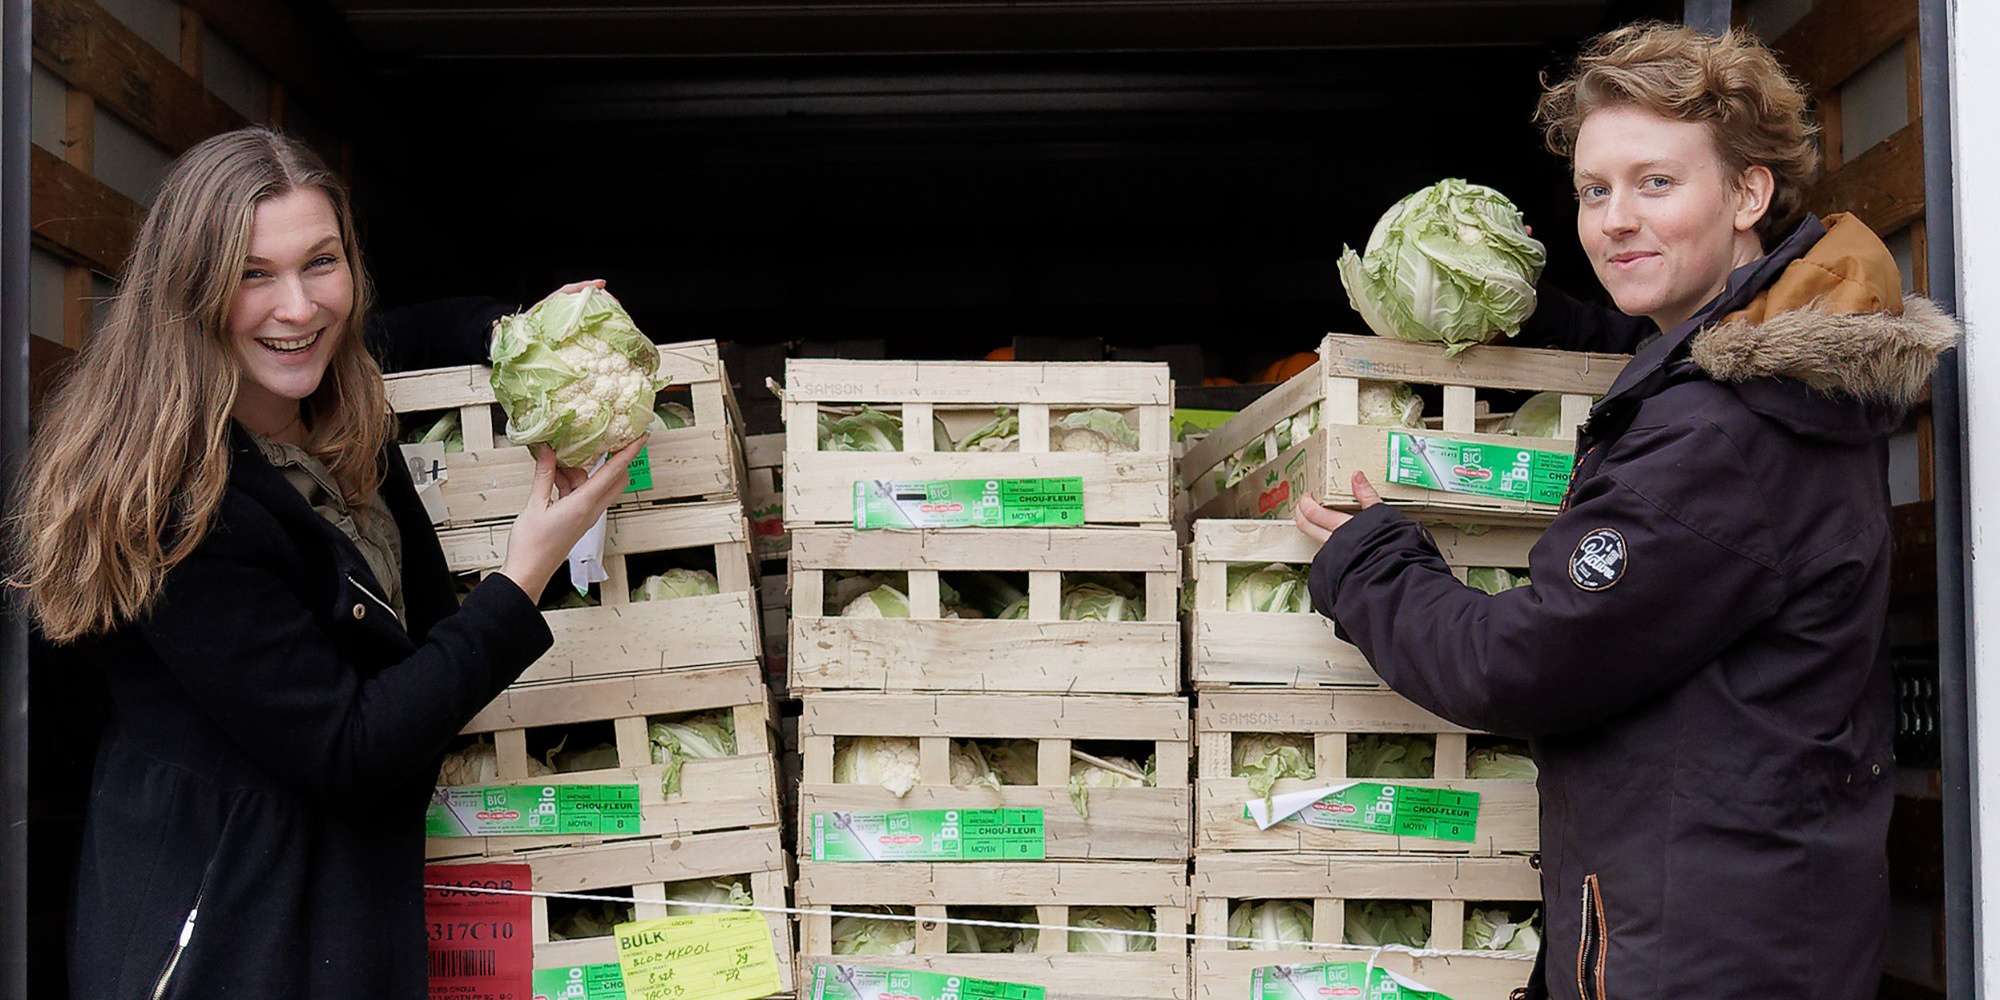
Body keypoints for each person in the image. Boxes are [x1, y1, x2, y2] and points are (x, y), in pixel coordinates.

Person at [1293, 24, 1957, 1000]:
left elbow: (1520, 662)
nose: (1612, 220)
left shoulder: (1722, 442)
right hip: (1742, 929)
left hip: (1704, 962)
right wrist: (1548, 323)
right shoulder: (1765, 369)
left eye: (1654, 184)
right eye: (1593, 190)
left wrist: (1370, 564)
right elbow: (1675, 357)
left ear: (1745, 193)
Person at [4, 126, 645, 997]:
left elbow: (413, 328)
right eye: (251, 274)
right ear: (186, 290)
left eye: (322, 262)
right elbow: (347, 747)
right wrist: (522, 575)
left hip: (336, 916)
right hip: (228, 938)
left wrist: (531, 332)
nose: (299, 307)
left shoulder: (326, 402)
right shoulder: (172, 502)